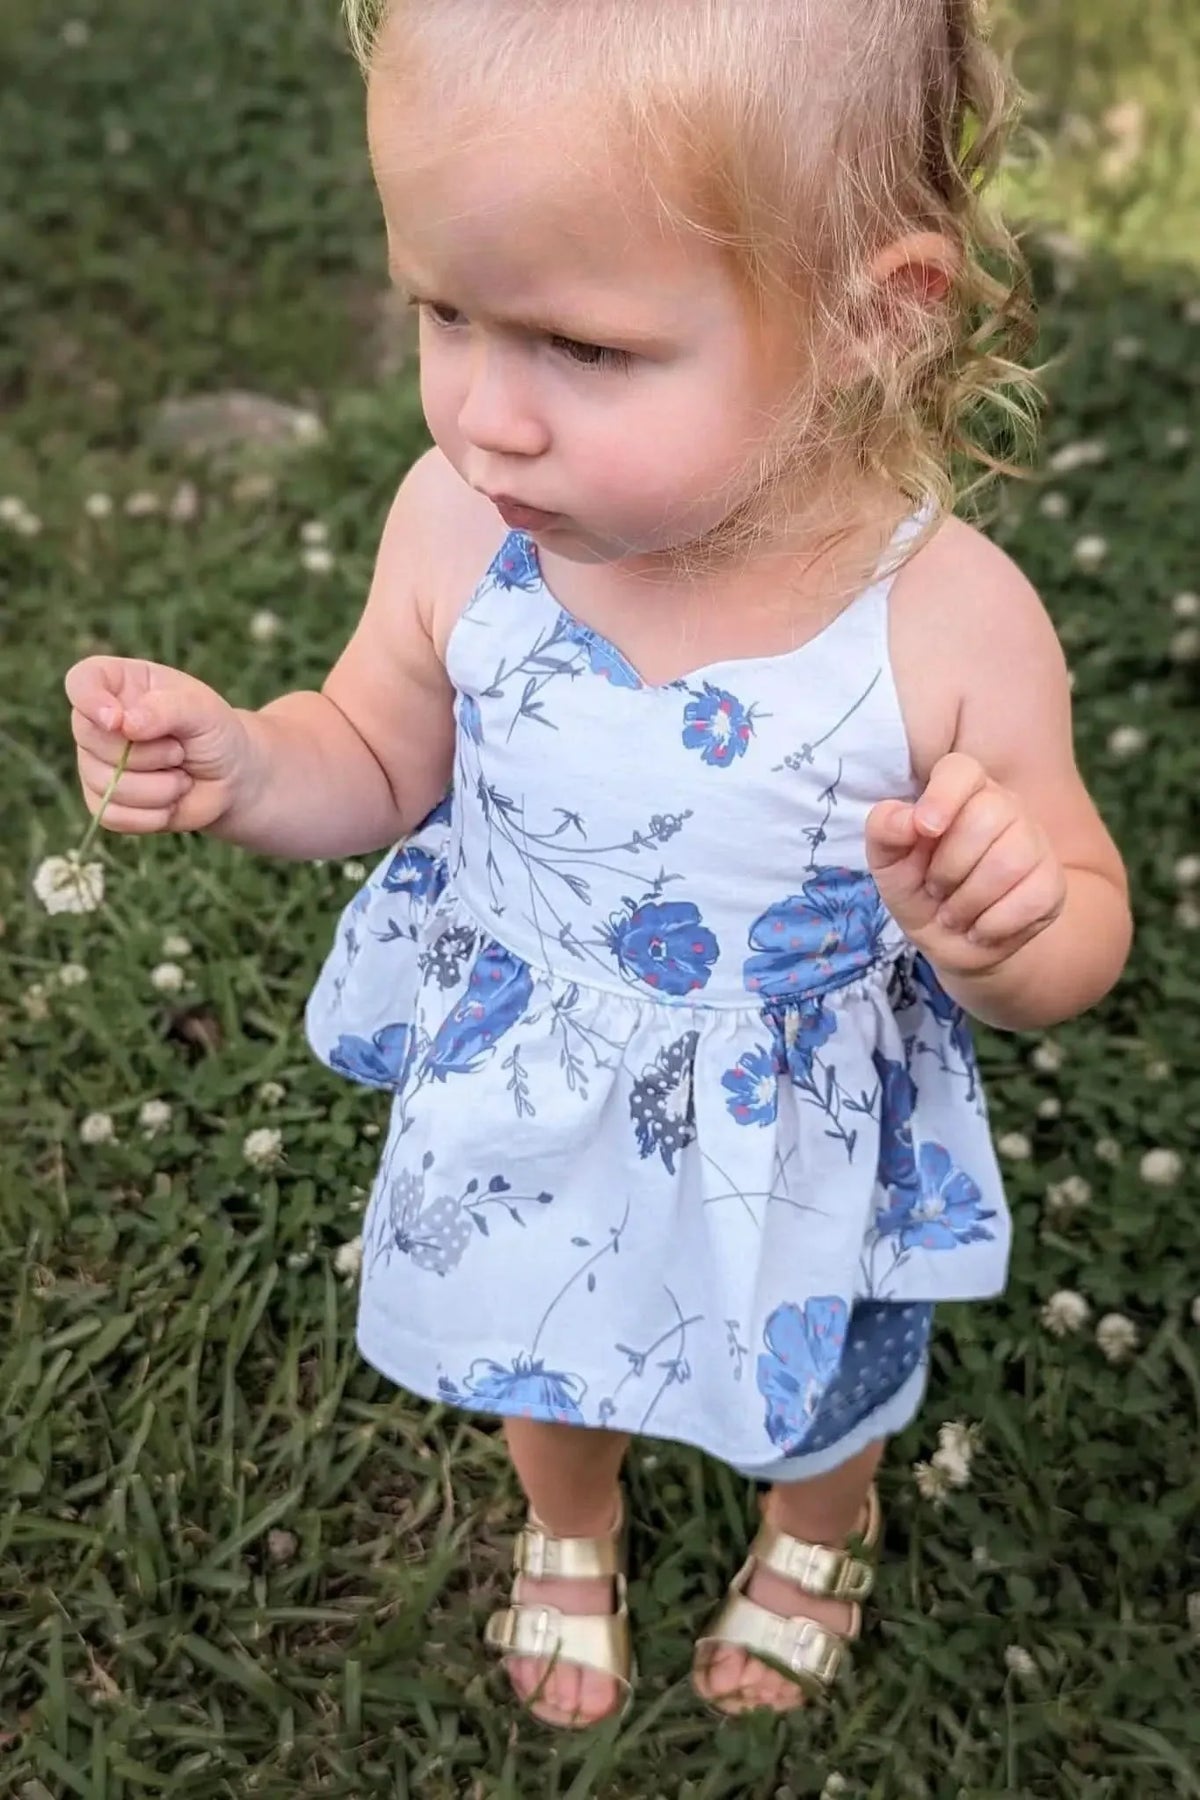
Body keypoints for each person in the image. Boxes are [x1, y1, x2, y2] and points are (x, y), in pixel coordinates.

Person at [65, 0, 1131, 1730]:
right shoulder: (454, 526)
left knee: (828, 1380)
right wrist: (257, 762)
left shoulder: (943, 622)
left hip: (789, 1127)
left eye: (583, 348)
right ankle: (571, 1520)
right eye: (444, 314)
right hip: (532, 1083)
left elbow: (1082, 922)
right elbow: (378, 753)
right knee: (538, 1343)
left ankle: (816, 1528)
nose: (489, 416)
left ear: (877, 317)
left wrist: (1011, 931)